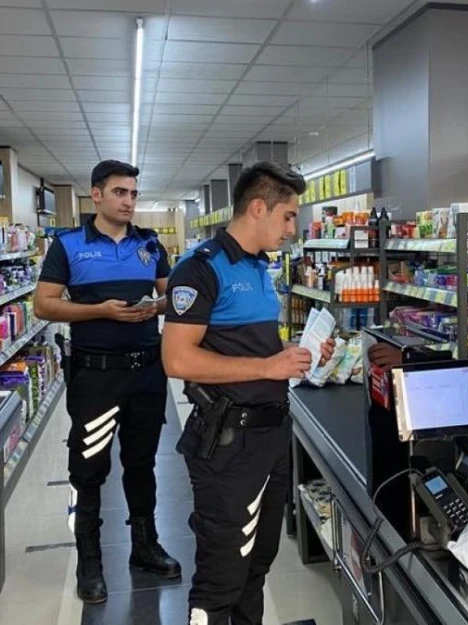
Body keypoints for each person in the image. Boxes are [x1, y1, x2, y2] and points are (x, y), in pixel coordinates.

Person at [162, 162, 334, 625]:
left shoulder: (261, 268)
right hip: (227, 445)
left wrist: (295, 353)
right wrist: (267, 365)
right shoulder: (201, 269)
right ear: (258, 208)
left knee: (256, 564)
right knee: (222, 574)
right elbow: (177, 359)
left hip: (269, 437)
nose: (292, 228)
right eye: (288, 216)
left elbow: (252, 348)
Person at [34, 160, 180, 605]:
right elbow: (44, 305)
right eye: (120, 192)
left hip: (147, 372)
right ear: (96, 195)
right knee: (90, 467)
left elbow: (174, 295)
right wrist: (101, 311)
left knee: (142, 462)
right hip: (96, 375)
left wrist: (154, 308)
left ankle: (145, 544)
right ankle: (90, 560)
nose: (128, 201)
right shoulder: (69, 245)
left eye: (134, 193)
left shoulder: (150, 245)